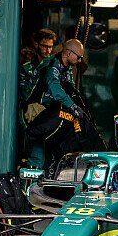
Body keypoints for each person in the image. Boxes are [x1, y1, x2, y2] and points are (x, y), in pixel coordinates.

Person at [23, 38, 87, 174]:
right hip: (35, 112)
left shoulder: (66, 69)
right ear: (68, 53)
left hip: (49, 115)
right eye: (78, 57)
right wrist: (72, 106)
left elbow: (71, 89)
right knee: (38, 158)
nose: (80, 60)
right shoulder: (52, 66)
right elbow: (56, 89)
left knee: (50, 157)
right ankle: (28, 185)